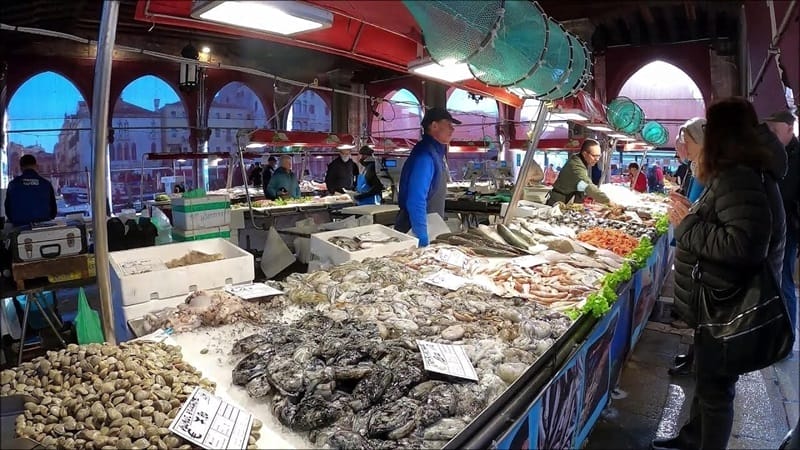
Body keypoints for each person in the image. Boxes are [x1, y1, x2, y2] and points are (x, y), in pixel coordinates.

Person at [657, 97, 786, 450]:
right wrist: (694, 212)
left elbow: (742, 246)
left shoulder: (739, 176)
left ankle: (701, 444)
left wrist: (687, 224)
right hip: (719, 299)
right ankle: (691, 439)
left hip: (726, 303)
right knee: (708, 381)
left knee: (716, 391)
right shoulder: (740, 171)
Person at [395, 107, 461, 247]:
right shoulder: (425, 155)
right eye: (448, 124)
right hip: (414, 230)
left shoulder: (435, 153)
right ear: (434, 125)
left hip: (431, 226)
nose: (452, 129)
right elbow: (416, 200)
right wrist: (422, 237)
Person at [765, 110, 799, 332]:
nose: (772, 136)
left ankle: (785, 336)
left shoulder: (796, 156)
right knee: (773, 280)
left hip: (789, 229)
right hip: (774, 227)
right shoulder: (776, 153)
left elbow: (788, 195)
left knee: (784, 280)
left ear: (789, 128)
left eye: (775, 131)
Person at [547, 139, 611, 205]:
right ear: (585, 154)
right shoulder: (575, 165)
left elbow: (581, 185)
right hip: (557, 201)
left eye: (599, 156)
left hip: (567, 199)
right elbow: (588, 185)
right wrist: (608, 202)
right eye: (594, 156)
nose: (597, 159)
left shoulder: (581, 161)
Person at [5, 154, 58, 226]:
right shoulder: (46, 184)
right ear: (36, 166)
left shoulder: (13, 184)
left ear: (21, 168)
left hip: (20, 230)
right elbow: (53, 212)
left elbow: (8, 210)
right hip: (43, 229)